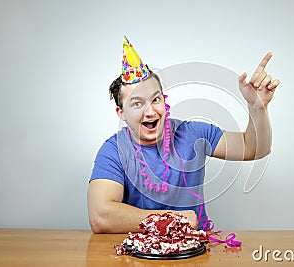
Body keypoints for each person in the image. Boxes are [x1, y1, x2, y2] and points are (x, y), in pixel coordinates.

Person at [87, 36, 279, 233]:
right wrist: (173, 219)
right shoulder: (114, 150)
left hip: (196, 254)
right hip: (137, 258)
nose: (151, 112)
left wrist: (257, 108)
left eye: (156, 99)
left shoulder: (193, 134)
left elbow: (254, 149)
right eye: (137, 104)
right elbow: (101, 217)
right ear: (122, 114)